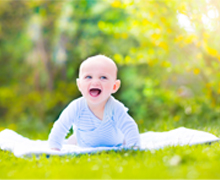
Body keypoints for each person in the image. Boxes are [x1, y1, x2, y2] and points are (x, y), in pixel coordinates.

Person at [48, 55, 140, 151]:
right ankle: (75, 139)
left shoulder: (115, 108)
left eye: (103, 77)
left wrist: (134, 147)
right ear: (79, 85)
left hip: (115, 142)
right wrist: (54, 149)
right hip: (83, 142)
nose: (95, 82)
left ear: (114, 86)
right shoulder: (76, 107)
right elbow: (60, 127)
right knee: (72, 142)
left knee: (125, 139)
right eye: (88, 77)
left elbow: (130, 127)